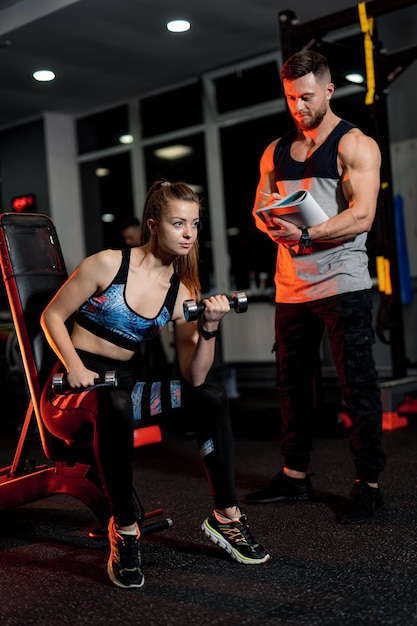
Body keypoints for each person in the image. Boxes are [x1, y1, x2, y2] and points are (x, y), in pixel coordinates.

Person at [40, 180, 270, 590]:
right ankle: (125, 529)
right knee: (113, 403)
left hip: (121, 390)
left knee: (210, 398)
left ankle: (226, 517)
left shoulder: (181, 294)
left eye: (195, 224)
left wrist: (209, 328)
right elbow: (51, 317)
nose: (188, 233)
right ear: (153, 225)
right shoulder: (106, 265)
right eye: (178, 223)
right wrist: (73, 364)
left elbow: (194, 376)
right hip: (67, 394)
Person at [243, 50, 386, 524]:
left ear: (328, 90)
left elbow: (362, 215)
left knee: (357, 386)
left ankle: (368, 484)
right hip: (291, 287)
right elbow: (259, 208)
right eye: (290, 98)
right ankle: (295, 474)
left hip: (342, 282)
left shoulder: (355, 145)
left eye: (306, 96)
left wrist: (305, 233)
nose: (298, 106)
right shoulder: (276, 150)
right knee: (291, 387)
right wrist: (271, 224)